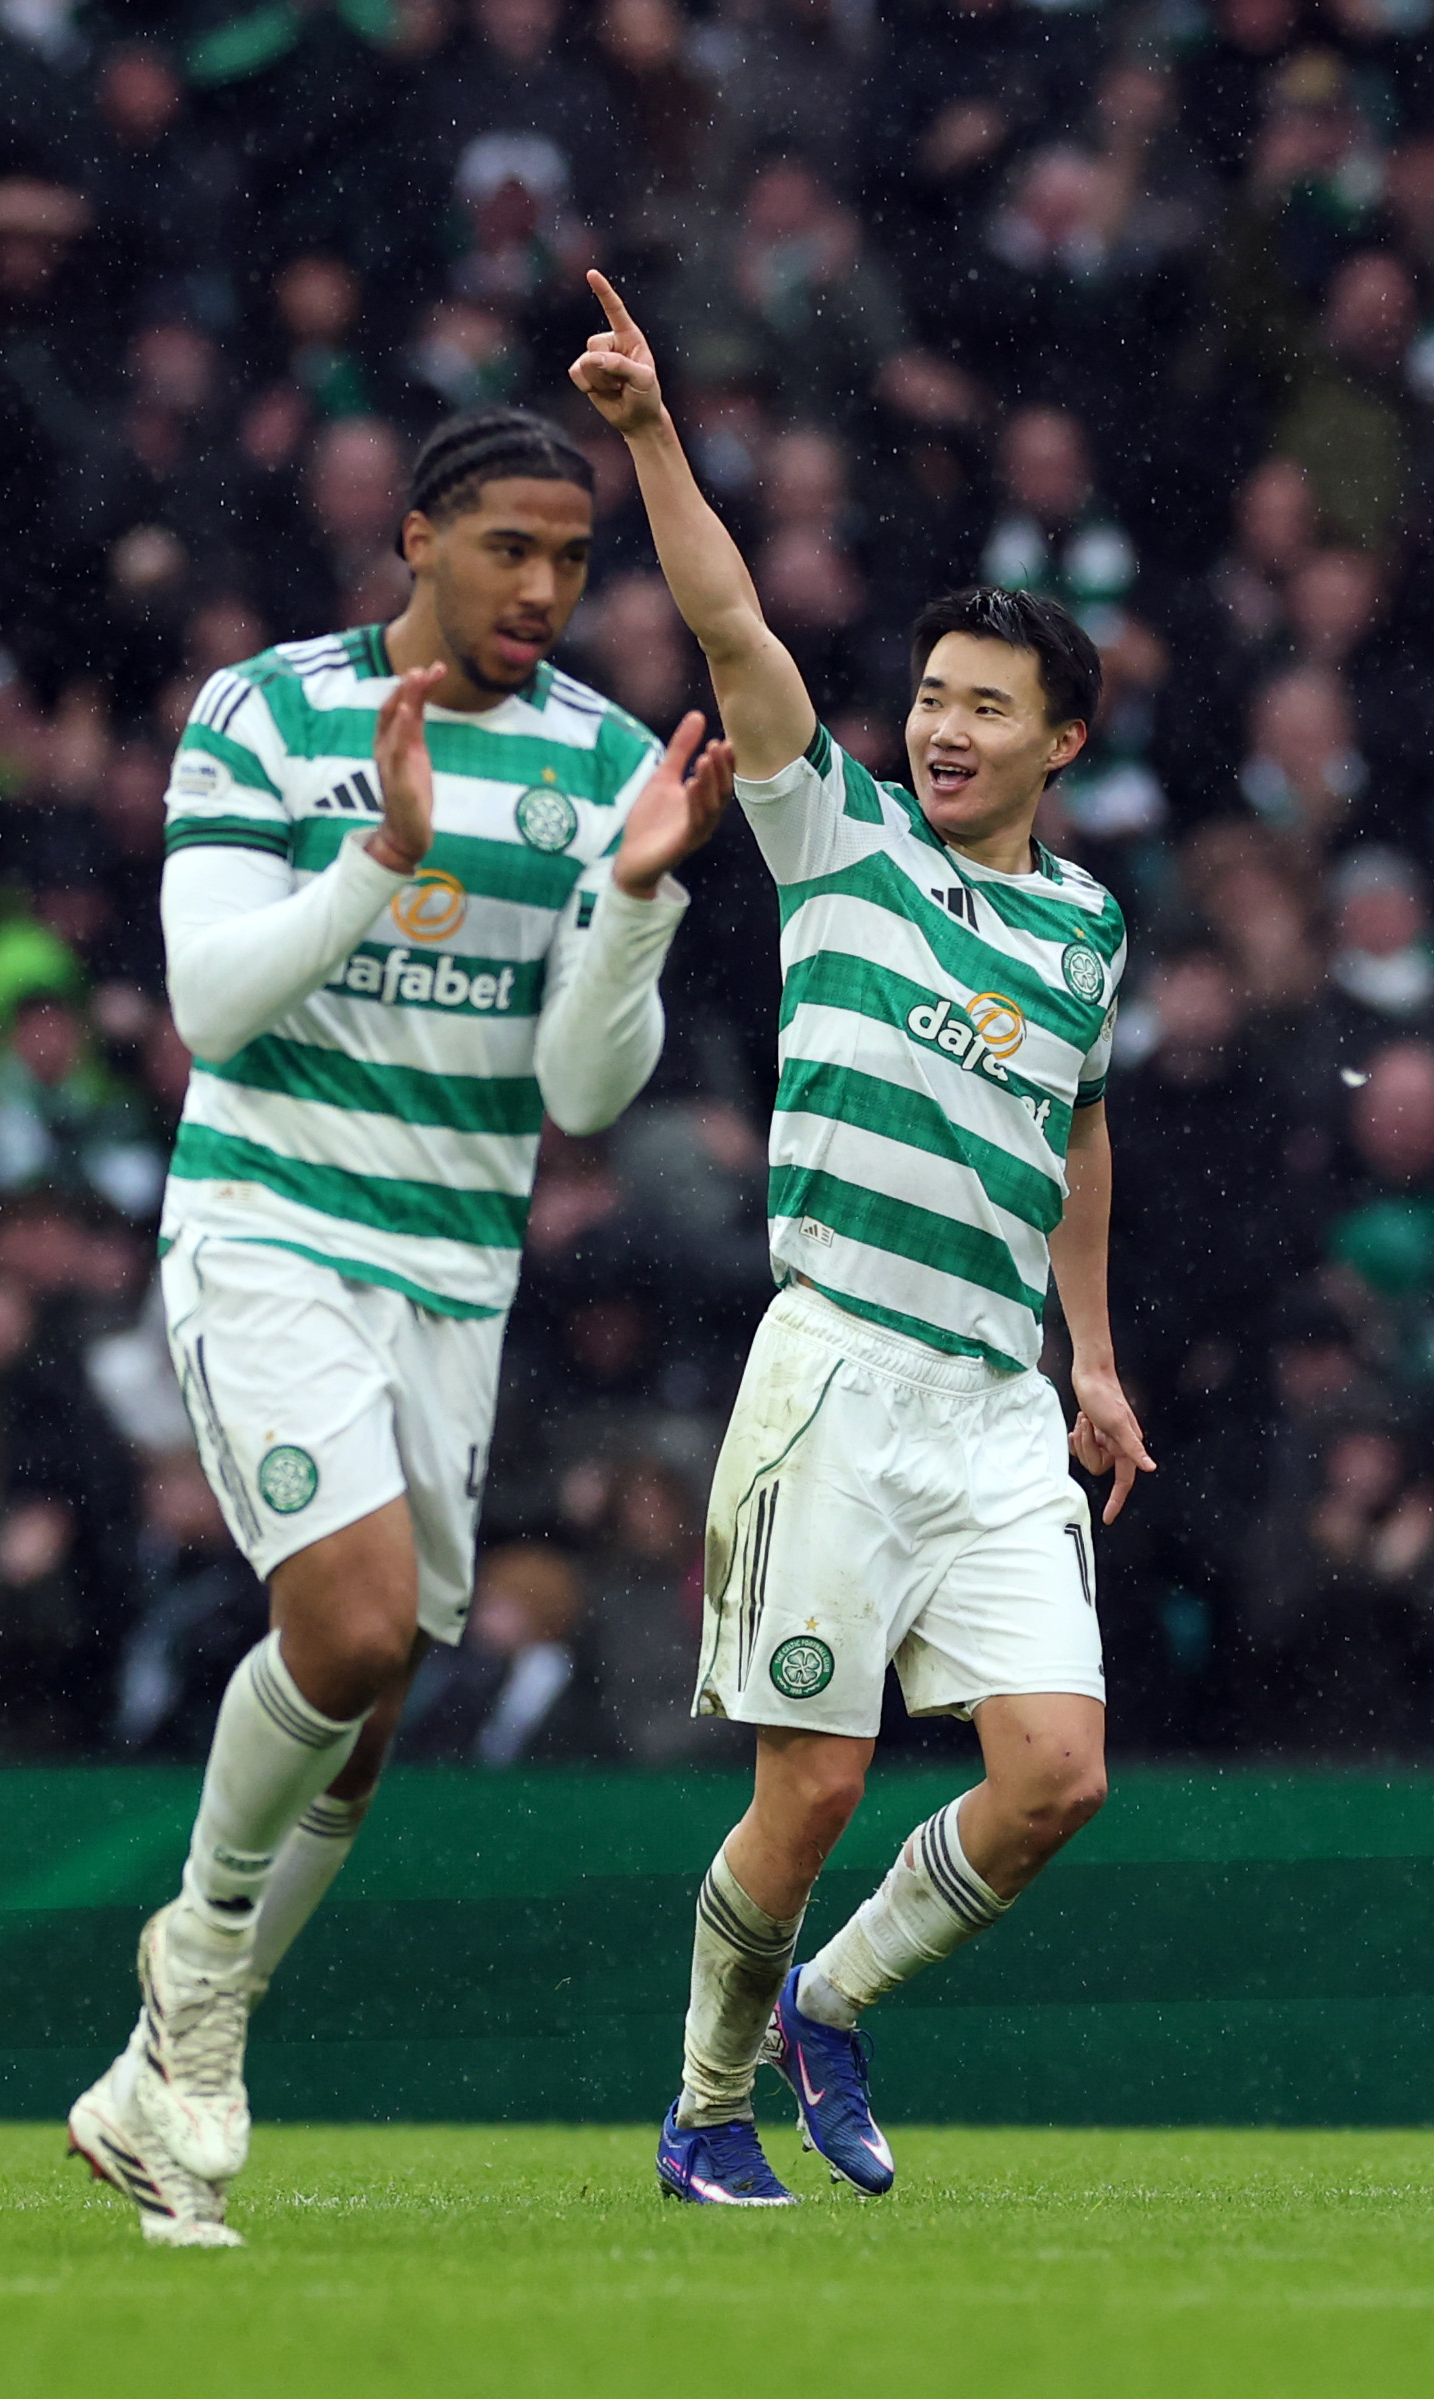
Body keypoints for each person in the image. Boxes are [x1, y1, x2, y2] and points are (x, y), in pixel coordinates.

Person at [63, 406, 739, 2249]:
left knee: (361, 1721)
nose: (542, 587)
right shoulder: (266, 712)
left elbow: (583, 1093)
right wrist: (375, 854)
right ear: (418, 540)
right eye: (509, 546)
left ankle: (151, 2090)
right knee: (353, 1625)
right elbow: (210, 1005)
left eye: (571, 559)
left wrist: (635, 897)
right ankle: (199, 1974)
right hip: (269, 1232)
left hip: (453, 1278)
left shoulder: (605, 762)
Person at [570, 272, 1154, 2207]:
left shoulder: (1086, 930)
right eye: (932, 698)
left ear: (1063, 743)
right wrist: (654, 434)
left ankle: (829, 2003)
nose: (946, 729)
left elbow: (1078, 1127)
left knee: (1057, 1773)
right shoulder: (839, 834)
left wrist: (1092, 1359)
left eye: (988, 706)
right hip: (837, 1368)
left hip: (992, 1399)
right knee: (809, 1786)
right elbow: (732, 624)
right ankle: (703, 2107)